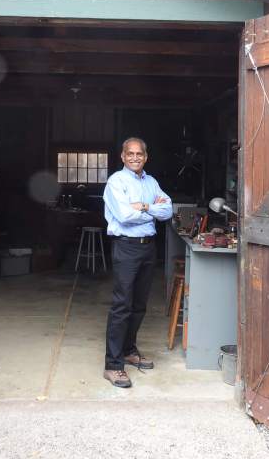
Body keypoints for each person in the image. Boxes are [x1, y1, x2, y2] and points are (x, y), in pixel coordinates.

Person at [102, 137, 172, 388]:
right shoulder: (116, 182)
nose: (134, 158)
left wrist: (142, 206)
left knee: (139, 304)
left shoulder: (151, 182)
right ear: (122, 156)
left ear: (146, 156)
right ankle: (113, 364)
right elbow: (123, 216)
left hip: (147, 248)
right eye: (129, 154)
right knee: (122, 305)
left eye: (139, 154)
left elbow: (168, 211)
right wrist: (151, 210)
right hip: (126, 247)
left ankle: (129, 350)